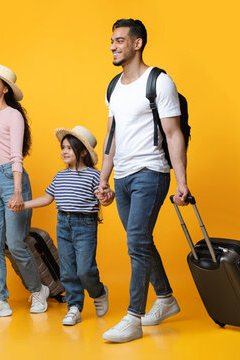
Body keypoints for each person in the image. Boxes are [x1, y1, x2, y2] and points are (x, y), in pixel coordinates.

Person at [97, 19, 192, 343]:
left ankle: (133, 317)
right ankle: (165, 299)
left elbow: (173, 132)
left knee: (136, 242)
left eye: (120, 40)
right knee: (142, 242)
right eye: (112, 41)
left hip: (151, 172)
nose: (113, 46)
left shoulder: (159, 81)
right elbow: (111, 135)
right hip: (121, 177)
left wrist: (181, 181)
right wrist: (103, 180)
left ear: (137, 43)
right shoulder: (112, 87)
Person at [0, 64, 49, 320]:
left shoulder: (13, 115)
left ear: (6, 89)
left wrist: (17, 191)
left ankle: (39, 290)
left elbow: (17, 155)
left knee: (15, 243)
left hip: (10, 180)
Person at [13, 125, 110, 326]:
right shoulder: (60, 176)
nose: (64, 151)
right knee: (67, 270)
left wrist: (106, 195)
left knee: (85, 270)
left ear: (83, 151)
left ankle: (98, 292)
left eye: (69, 148)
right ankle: (74, 307)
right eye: (62, 147)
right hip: (63, 224)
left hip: (85, 225)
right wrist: (23, 205)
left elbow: (106, 196)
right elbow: (48, 198)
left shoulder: (94, 175)